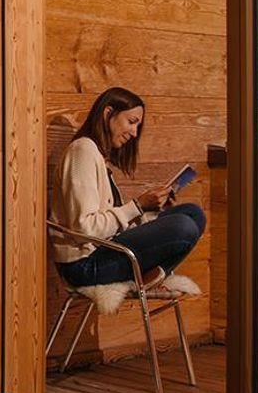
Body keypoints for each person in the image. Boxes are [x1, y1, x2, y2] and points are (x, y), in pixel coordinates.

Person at [51, 86, 206, 293]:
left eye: (137, 126)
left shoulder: (98, 157)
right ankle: (151, 276)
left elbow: (113, 225)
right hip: (84, 265)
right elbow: (84, 229)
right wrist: (137, 206)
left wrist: (149, 211)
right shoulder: (83, 151)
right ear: (108, 113)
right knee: (183, 226)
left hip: (104, 249)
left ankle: (154, 275)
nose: (134, 133)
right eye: (131, 122)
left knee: (193, 213)